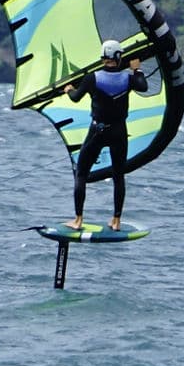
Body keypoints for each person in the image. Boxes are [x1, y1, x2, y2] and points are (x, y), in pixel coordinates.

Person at [63, 39, 149, 231]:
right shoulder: (128, 79)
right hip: (119, 131)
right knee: (118, 176)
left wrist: (69, 89)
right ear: (118, 57)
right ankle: (116, 221)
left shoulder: (92, 78)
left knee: (81, 173)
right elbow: (143, 86)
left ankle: (78, 220)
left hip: (97, 131)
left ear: (103, 58)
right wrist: (137, 69)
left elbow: (75, 98)